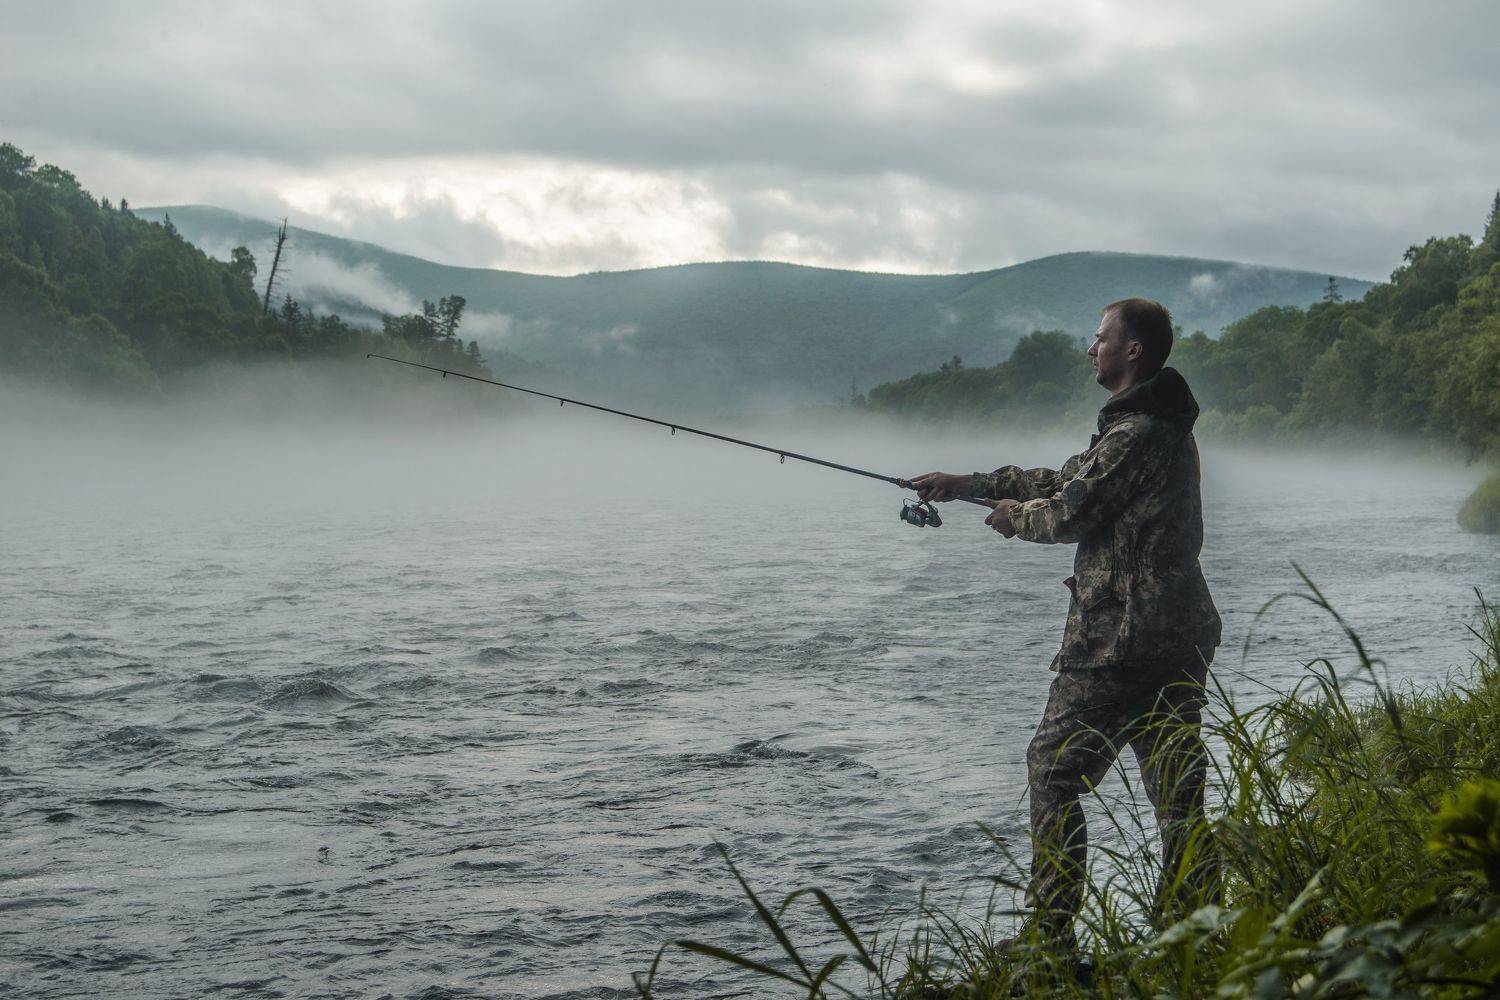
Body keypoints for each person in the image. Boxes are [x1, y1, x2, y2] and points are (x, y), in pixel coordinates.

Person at [909, 297, 1222, 952]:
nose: (1091, 347)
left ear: (1133, 349)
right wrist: (965, 484)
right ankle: (1194, 925)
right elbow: (1064, 480)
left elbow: (1073, 510)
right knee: (1175, 783)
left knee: (1052, 770)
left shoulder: (1136, 434)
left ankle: (1050, 938)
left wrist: (1014, 518)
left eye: (1101, 336)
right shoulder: (1145, 426)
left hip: (1120, 640)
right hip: (1172, 633)